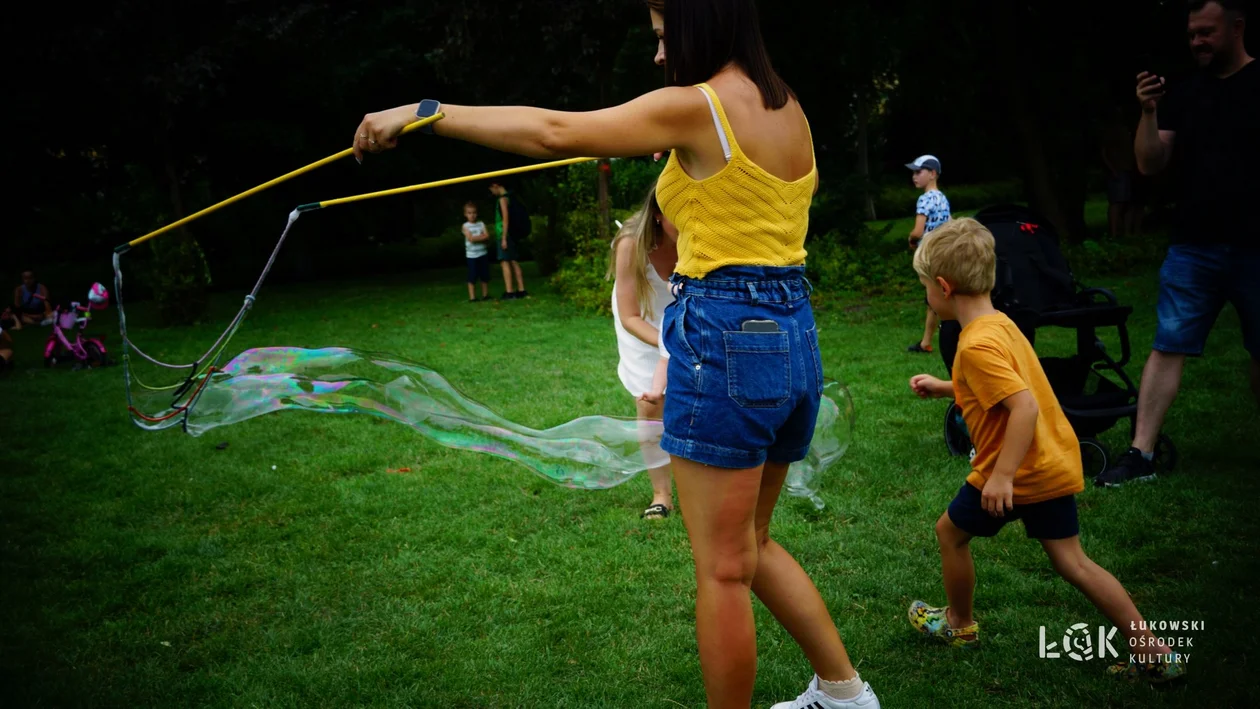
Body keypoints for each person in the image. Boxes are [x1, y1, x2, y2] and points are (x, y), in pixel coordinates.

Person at [350, 1, 880, 706]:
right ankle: (845, 694)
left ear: (700, 25)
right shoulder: (791, 111)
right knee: (749, 546)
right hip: (793, 337)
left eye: (665, 38)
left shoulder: (698, 106)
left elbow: (554, 130)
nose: (659, 55)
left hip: (725, 339)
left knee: (722, 568)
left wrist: (427, 113)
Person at [906, 218, 1185, 683]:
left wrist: (1002, 476)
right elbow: (1001, 387)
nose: (925, 297)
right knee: (1074, 562)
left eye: (923, 288)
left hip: (1015, 473)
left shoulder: (975, 345)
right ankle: (1155, 652)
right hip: (1051, 463)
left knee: (949, 535)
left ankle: (959, 625)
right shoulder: (1002, 326)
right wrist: (946, 387)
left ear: (943, 286)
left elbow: (1022, 407)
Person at [1097, 0, 1259, 487]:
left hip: (1256, 245)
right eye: (1192, 34)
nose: (1197, 42)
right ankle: (1141, 455)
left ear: (1237, 28)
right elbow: (1149, 163)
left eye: (1207, 32)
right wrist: (1148, 112)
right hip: (1194, 245)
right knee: (1169, 344)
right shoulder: (1186, 94)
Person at [607, 181, 679, 520]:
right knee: (650, 404)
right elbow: (630, 315)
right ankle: (661, 494)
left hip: (686, 315)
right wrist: (668, 342)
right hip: (643, 319)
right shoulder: (631, 243)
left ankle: (704, 481)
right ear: (659, 216)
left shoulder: (704, 230)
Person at [905, 155, 951, 354]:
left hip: (927, 256)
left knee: (934, 299)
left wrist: (911, 240)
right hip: (943, 252)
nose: (914, 176)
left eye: (918, 172)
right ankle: (926, 342)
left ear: (932, 174)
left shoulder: (924, 199)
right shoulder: (942, 198)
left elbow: (917, 231)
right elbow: (950, 223)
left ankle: (937, 339)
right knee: (939, 297)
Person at [489, 181, 530, 300]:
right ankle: (521, 290)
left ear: (495, 185)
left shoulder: (503, 200)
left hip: (505, 234)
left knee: (505, 262)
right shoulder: (511, 198)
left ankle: (510, 291)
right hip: (510, 234)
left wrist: (503, 238)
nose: (492, 192)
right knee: (513, 261)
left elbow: (505, 219)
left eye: (491, 189)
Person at [461, 201, 492, 302]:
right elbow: (471, 239)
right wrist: (481, 237)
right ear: (465, 214)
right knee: (472, 276)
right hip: (471, 255)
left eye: (474, 213)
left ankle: (485, 295)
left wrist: (477, 237)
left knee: (484, 275)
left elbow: (487, 236)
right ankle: (472, 297)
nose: (472, 215)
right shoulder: (465, 226)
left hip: (482, 253)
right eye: (469, 213)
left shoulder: (481, 224)